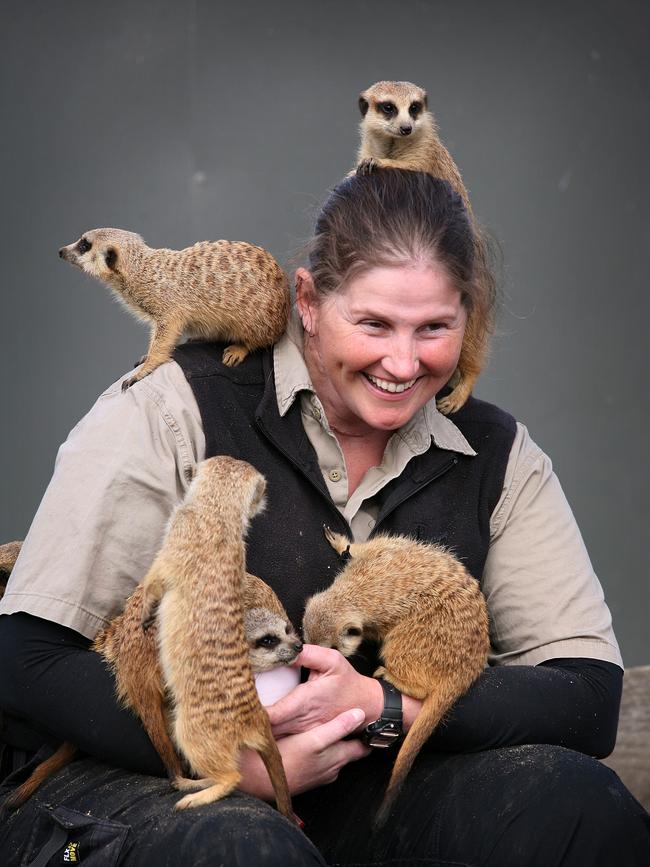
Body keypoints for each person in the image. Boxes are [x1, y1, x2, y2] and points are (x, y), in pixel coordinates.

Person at [0, 169, 648, 866]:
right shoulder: (175, 405)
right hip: (148, 781)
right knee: (245, 849)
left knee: (575, 806)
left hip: (366, 794)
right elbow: (26, 659)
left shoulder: (497, 452)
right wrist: (230, 759)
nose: (403, 362)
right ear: (307, 300)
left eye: (434, 327)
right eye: (373, 324)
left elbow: (586, 695)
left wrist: (378, 705)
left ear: (468, 312)